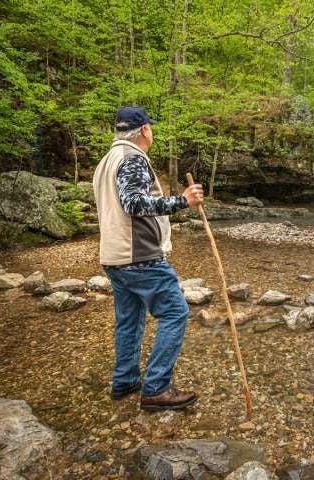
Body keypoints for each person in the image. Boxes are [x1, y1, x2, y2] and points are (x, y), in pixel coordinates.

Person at [92, 106, 204, 411]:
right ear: (144, 130)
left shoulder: (107, 160)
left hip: (114, 256)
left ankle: (125, 380)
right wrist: (183, 200)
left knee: (129, 319)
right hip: (139, 255)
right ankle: (156, 388)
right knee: (175, 312)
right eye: (150, 127)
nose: (151, 132)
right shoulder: (132, 158)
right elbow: (134, 203)